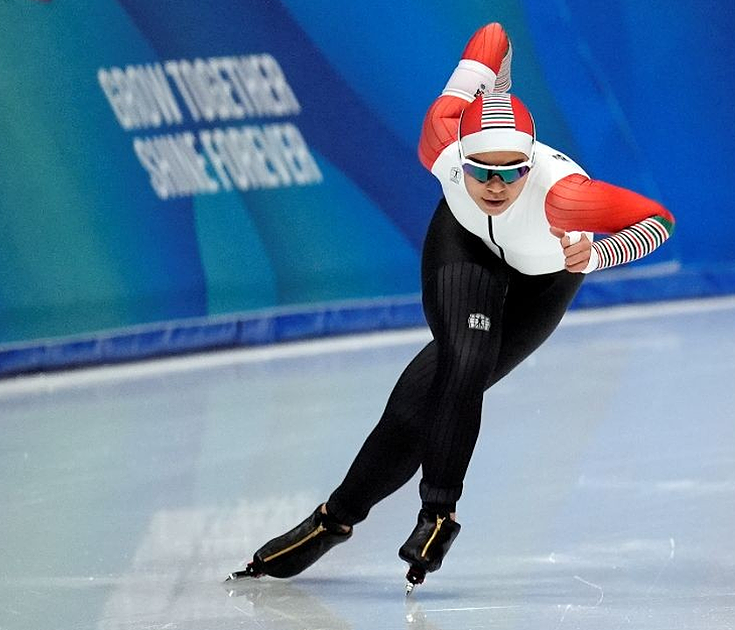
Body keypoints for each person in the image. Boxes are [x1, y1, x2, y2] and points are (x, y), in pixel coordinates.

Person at [231, 22, 674, 588]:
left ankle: (351, 518)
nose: (495, 185)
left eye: (511, 172)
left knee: (430, 396)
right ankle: (415, 514)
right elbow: (493, 34)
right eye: (481, 171)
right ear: (456, 157)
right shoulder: (439, 139)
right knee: (459, 363)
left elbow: (657, 219)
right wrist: (495, 83)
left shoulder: (567, 196)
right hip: (464, 244)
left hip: (546, 276)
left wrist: (601, 253)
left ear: (530, 163)